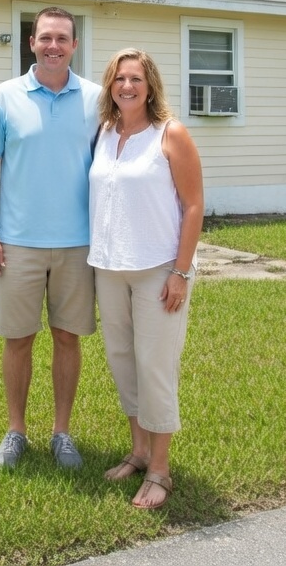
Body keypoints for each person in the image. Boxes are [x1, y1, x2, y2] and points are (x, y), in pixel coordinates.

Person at [0, 7, 101, 470]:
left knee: (68, 338)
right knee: (18, 339)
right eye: (45, 37)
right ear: (31, 43)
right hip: (18, 244)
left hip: (77, 245)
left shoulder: (96, 99)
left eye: (62, 38)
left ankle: (61, 433)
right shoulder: (5, 97)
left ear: (74, 45)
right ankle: (16, 431)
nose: (53, 46)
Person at [88, 48, 204, 509]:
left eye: (135, 78)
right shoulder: (105, 132)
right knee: (123, 362)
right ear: (110, 86)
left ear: (150, 84)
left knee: (155, 367)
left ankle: (160, 470)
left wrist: (180, 271)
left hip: (159, 270)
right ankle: (137, 452)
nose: (127, 86)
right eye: (119, 79)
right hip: (109, 269)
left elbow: (193, 206)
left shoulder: (170, 134)